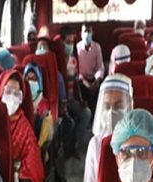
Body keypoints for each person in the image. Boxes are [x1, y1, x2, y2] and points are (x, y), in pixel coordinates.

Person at [0, 69, 45, 182]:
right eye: (8, 91)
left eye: (16, 94)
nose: (11, 97)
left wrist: (17, 173)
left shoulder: (23, 126)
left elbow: (33, 158)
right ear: (0, 91)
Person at [81, 73, 133, 182]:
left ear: (129, 106)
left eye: (118, 106)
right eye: (107, 106)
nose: (111, 112)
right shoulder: (96, 145)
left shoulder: (139, 143)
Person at [60, 25, 91, 159]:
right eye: (68, 42)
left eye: (72, 42)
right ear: (62, 42)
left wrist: (80, 100)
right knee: (70, 122)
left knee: (86, 113)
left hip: (72, 99)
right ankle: (68, 149)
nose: (70, 45)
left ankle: (74, 145)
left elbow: (76, 82)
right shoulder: (59, 60)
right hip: (62, 101)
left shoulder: (73, 59)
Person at [76, 23, 105, 114]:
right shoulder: (77, 48)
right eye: (85, 31)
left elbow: (100, 67)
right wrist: (85, 82)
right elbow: (76, 69)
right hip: (81, 80)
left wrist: (96, 81)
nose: (87, 34)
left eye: (89, 31)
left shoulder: (97, 47)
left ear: (92, 33)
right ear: (81, 34)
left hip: (94, 79)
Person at [24, 63, 54, 147]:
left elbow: (45, 113)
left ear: (39, 81)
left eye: (33, 79)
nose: (30, 82)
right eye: (28, 79)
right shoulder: (20, 98)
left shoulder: (43, 101)